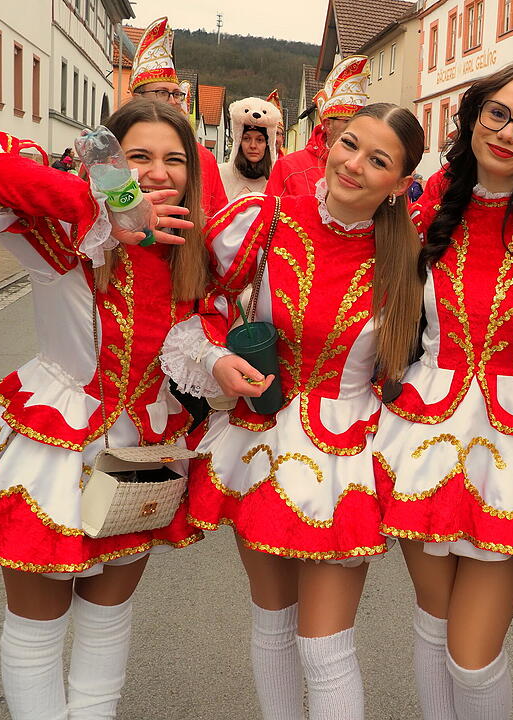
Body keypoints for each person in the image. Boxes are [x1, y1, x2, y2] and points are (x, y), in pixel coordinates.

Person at [160, 103, 424, 720]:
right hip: (262, 440)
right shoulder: (263, 220)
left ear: (400, 183)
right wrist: (216, 359)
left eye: (377, 159)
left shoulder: (412, 260)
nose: (352, 164)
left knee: (326, 647)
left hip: (346, 461)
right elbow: (192, 303)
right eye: (349, 144)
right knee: (272, 626)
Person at [372, 64, 513, 720]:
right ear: (473, 117)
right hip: (422, 436)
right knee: (432, 625)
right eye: (498, 114)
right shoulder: (426, 213)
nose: (508, 133)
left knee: (471, 654)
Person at [0, 98, 209, 719]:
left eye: (174, 159)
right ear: (105, 163)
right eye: (138, 157)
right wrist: (94, 203)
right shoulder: (67, 238)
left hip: (140, 452)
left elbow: (197, 337)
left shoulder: (190, 250)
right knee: (38, 627)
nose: (157, 172)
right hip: (53, 448)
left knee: (109, 620)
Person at [130, 17, 228, 219]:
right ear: (137, 98)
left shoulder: (203, 157)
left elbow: (219, 221)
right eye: (162, 93)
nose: (174, 101)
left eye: (176, 94)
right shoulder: (112, 149)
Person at [265, 55, 370, 199]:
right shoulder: (289, 166)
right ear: (328, 124)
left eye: (359, 122)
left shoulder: (366, 169)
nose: (355, 128)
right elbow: (271, 211)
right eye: (348, 121)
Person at [219, 96, 282, 200]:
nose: (253, 146)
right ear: (239, 141)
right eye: (247, 139)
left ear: (267, 144)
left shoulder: (277, 180)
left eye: (259, 140)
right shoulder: (221, 174)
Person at [267, 89, 287, 158]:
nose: (273, 138)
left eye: (277, 133)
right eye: (270, 132)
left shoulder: (288, 163)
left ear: (283, 139)